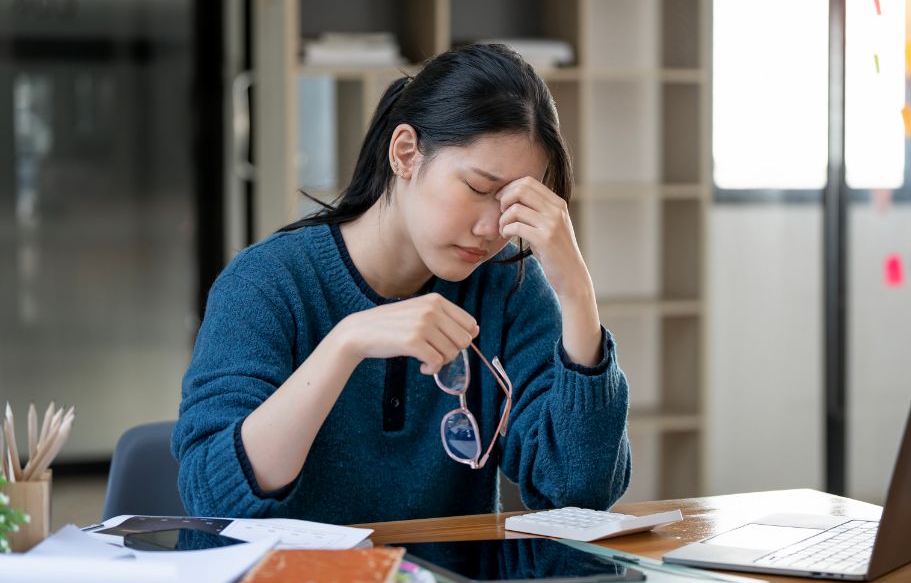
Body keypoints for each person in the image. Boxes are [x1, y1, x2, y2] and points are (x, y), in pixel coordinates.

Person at [172, 44, 631, 524]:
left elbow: (579, 491)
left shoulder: (506, 285)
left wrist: (578, 295)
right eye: (478, 189)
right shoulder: (266, 284)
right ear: (406, 153)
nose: (493, 229)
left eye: (515, 203)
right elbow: (213, 498)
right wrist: (346, 343)